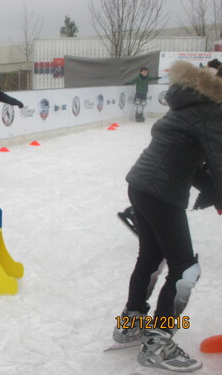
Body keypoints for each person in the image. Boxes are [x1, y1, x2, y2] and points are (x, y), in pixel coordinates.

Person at [112, 61, 222, 373]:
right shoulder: (213, 111)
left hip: (141, 186)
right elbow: (219, 161)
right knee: (186, 270)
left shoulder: (191, 101)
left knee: (151, 257)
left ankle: (130, 322)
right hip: (162, 192)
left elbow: (186, 155)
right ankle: (158, 342)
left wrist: (213, 192)